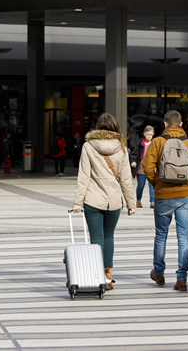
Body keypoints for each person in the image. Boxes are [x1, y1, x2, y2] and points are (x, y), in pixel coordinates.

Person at [143, 110, 188, 292]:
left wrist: (156, 182)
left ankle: (159, 273)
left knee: (160, 235)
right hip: (185, 196)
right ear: (181, 125)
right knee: (183, 237)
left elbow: (146, 166)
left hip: (163, 196)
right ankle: (181, 279)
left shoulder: (157, 142)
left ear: (165, 124)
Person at [72, 112, 136, 290]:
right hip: (114, 201)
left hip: (92, 200)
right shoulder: (122, 148)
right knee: (109, 237)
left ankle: (96, 274)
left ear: (97, 127)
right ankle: (108, 277)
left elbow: (84, 176)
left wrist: (78, 201)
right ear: (115, 128)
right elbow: (125, 179)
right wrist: (131, 204)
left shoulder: (88, 146)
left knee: (96, 238)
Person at [130, 125, 156, 209]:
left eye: (151, 134)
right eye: (148, 134)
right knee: (140, 185)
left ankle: (152, 201)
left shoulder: (154, 143)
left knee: (152, 185)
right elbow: (134, 153)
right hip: (141, 167)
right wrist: (133, 161)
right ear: (144, 134)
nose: (149, 136)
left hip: (151, 167)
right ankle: (138, 200)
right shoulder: (140, 143)